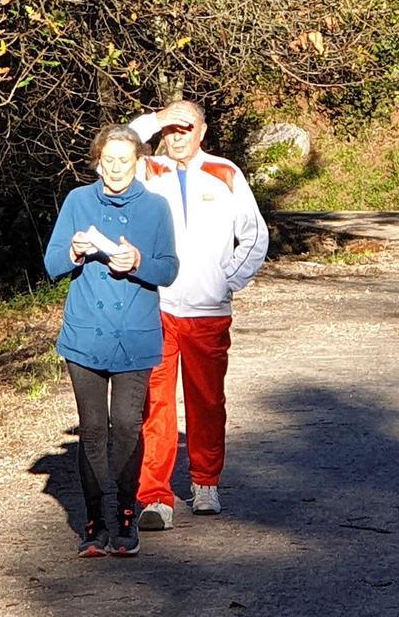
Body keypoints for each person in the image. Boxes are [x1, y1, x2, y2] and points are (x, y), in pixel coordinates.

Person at [122, 100, 269, 528]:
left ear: (202, 131)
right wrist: (152, 121)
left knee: (207, 401)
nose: (176, 136)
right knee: (156, 405)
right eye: (170, 129)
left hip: (208, 312)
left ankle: (205, 482)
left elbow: (254, 236)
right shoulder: (147, 171)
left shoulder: (226, 173)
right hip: (158, 308)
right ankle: (155, 497)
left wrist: (226, 282)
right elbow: (109, 160)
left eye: (185, 127)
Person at [43, 124, 179, 557]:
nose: (116, 168)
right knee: (93, 430)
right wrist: (74, 251)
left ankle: (125, 516)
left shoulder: (156, 207)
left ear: (139, 163)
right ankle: (95, 524)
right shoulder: (78, 200)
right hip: (84, 335)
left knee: (125, 425)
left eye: (125, 160)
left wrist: (139, 261)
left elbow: (169, 269)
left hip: (135, 336)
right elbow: (51, 264)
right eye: (109, 160)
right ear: (96, 161)